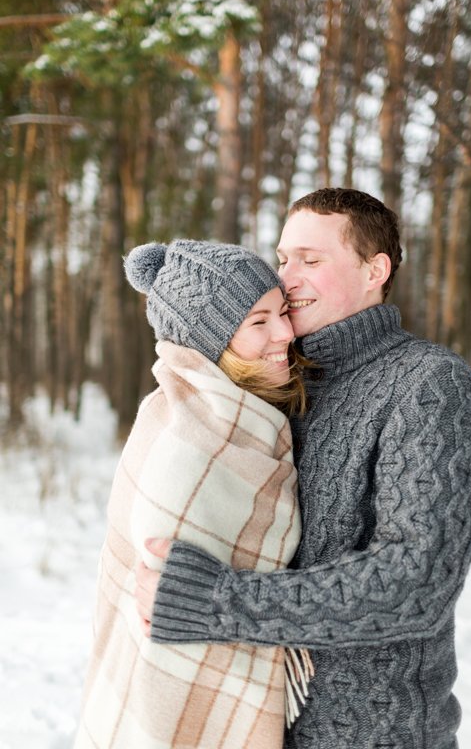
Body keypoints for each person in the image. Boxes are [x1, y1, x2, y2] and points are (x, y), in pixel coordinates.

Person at [135, 189, 471, 749]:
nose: (286, 278)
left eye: (310, 259)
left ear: (375, 270)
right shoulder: (276, 379)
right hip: (256, 726)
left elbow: (415, 582)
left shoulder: (430, 385)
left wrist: (218, 601)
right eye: (283, 259)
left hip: (376, 735)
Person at [74, 239, 314, 749]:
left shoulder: (253, 422)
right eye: (259, 321)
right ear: (212, 343)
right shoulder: (185, 441)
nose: (286, 332)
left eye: (282, 312)